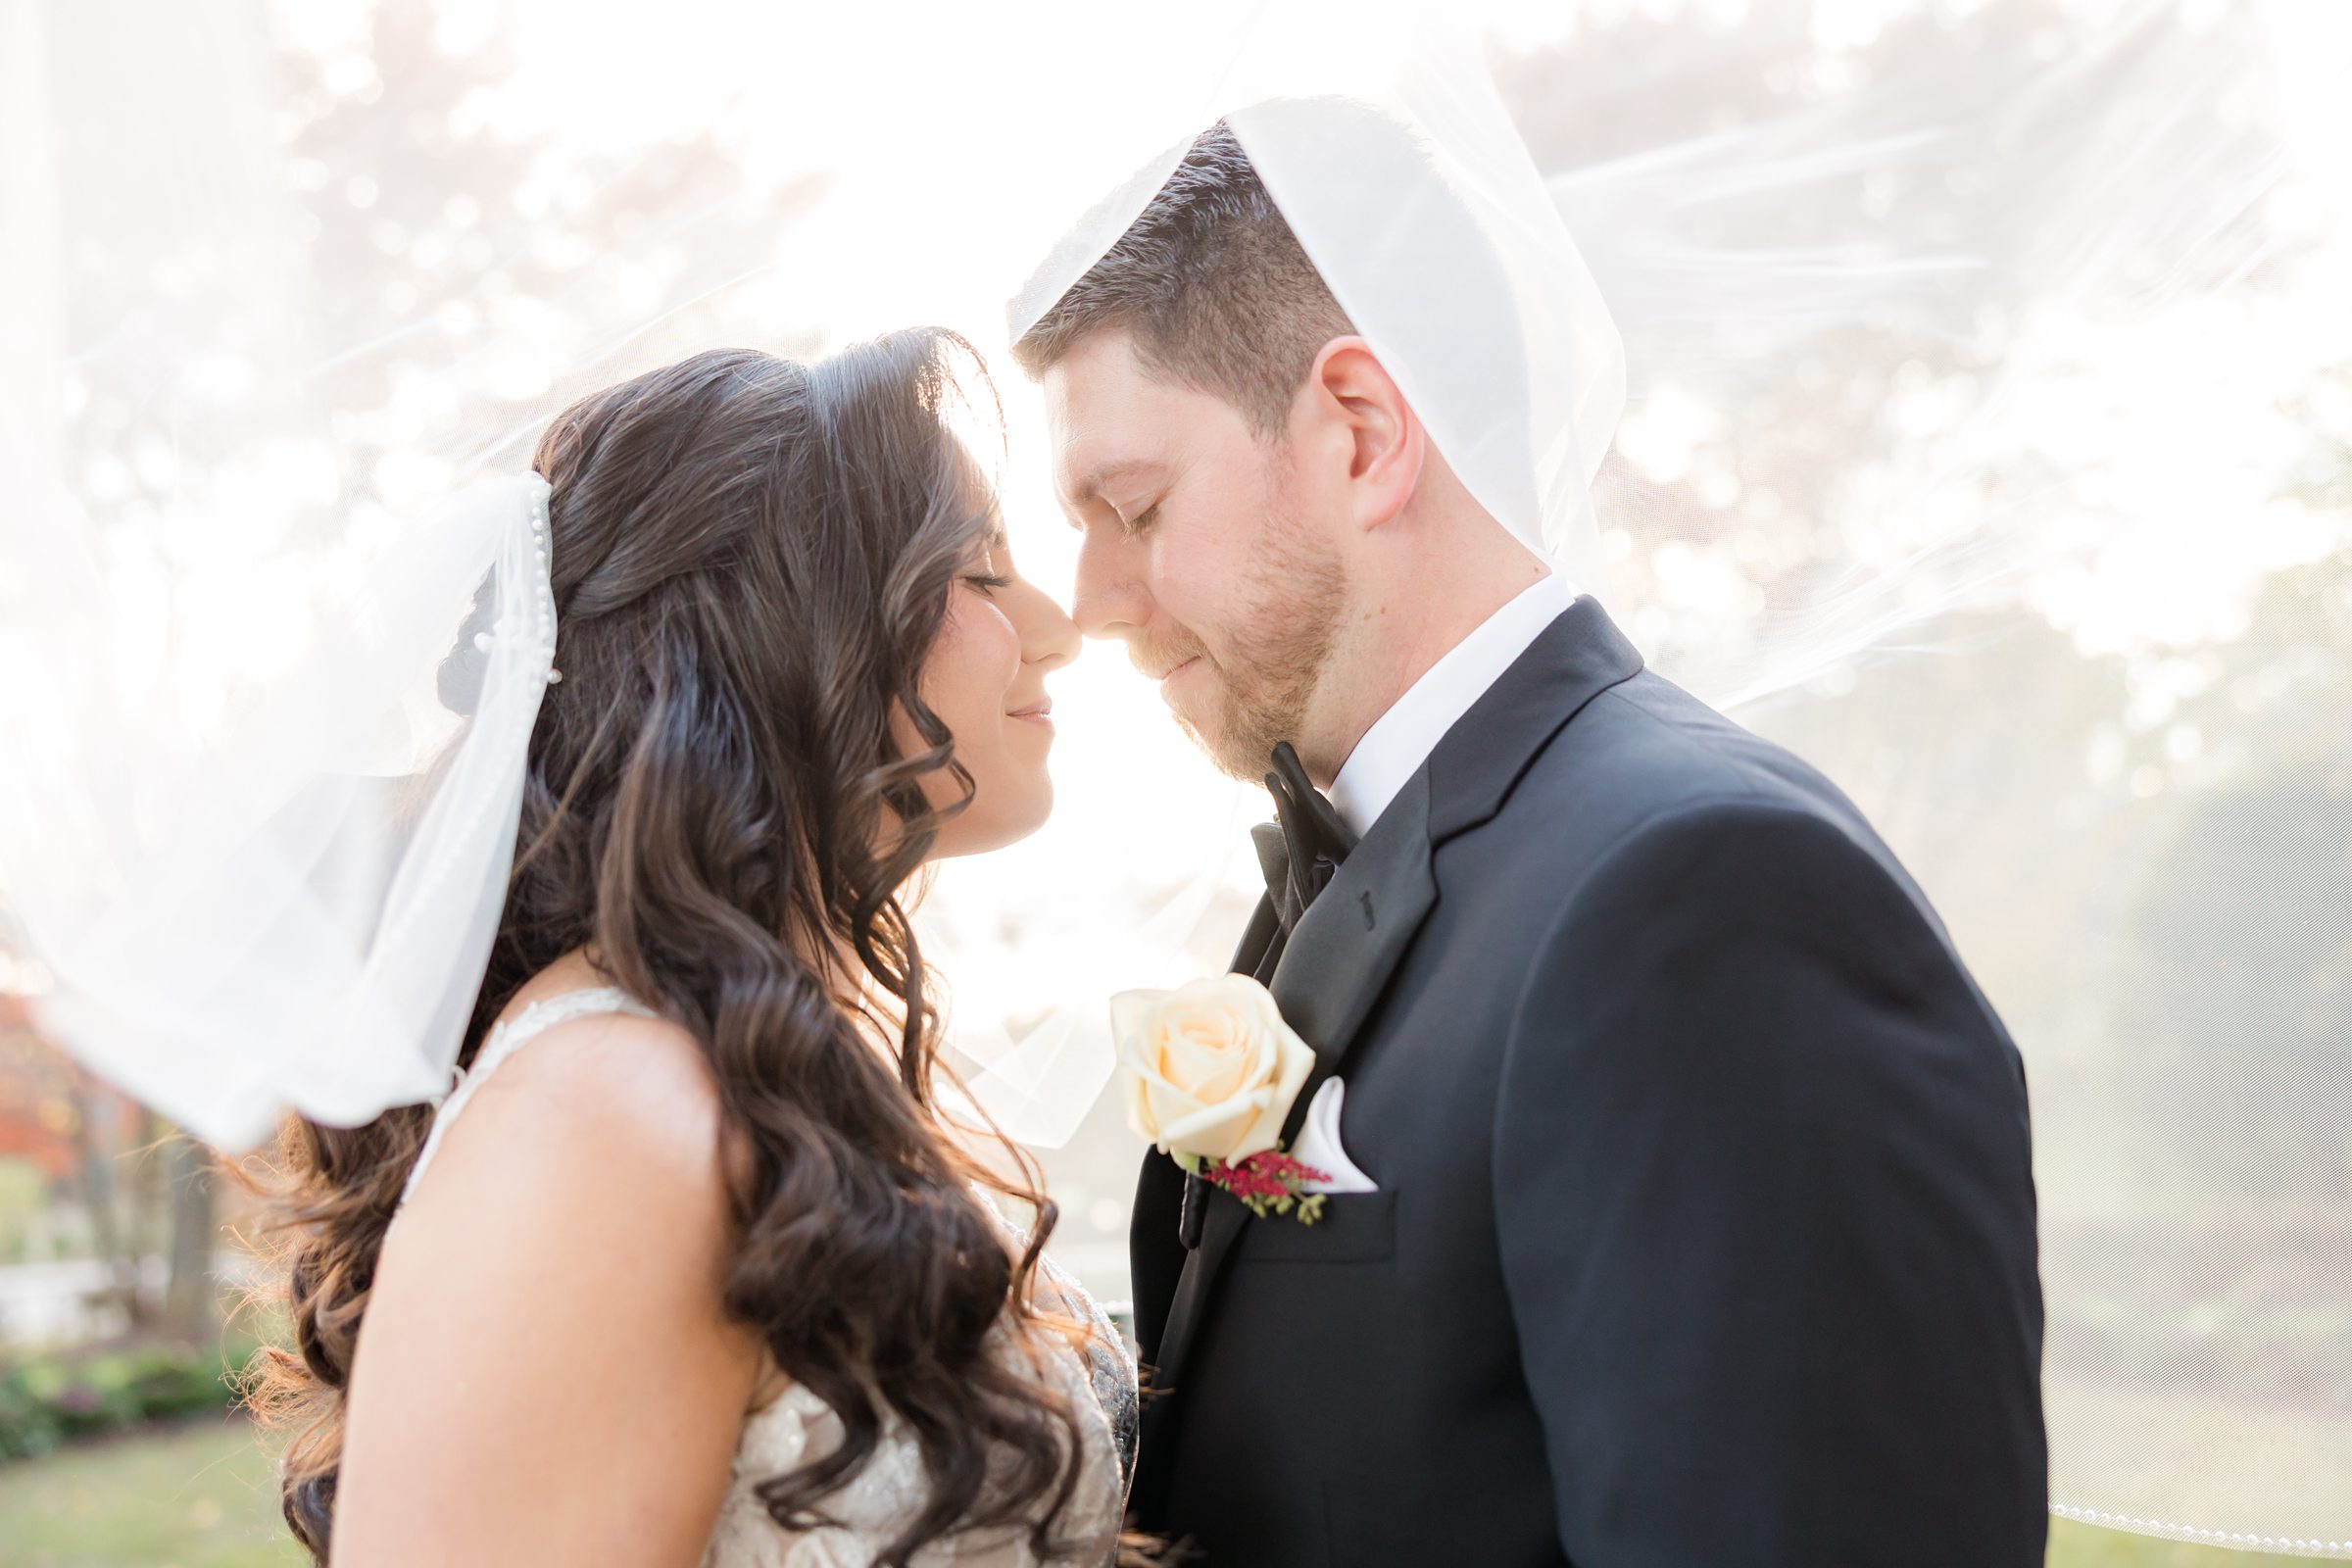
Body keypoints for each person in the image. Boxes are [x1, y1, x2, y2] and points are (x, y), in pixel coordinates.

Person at [1015, 122, 2048, 1567]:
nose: (1096, 602)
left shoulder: (1708, 899)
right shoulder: (1380, 861)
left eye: (1132, 509)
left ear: (1362, 434)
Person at [244, 331, 1136, 1567]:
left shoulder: (773, 1052)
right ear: (782, 634)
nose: (1054, 628)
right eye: (978, 574)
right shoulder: (604, 1107)